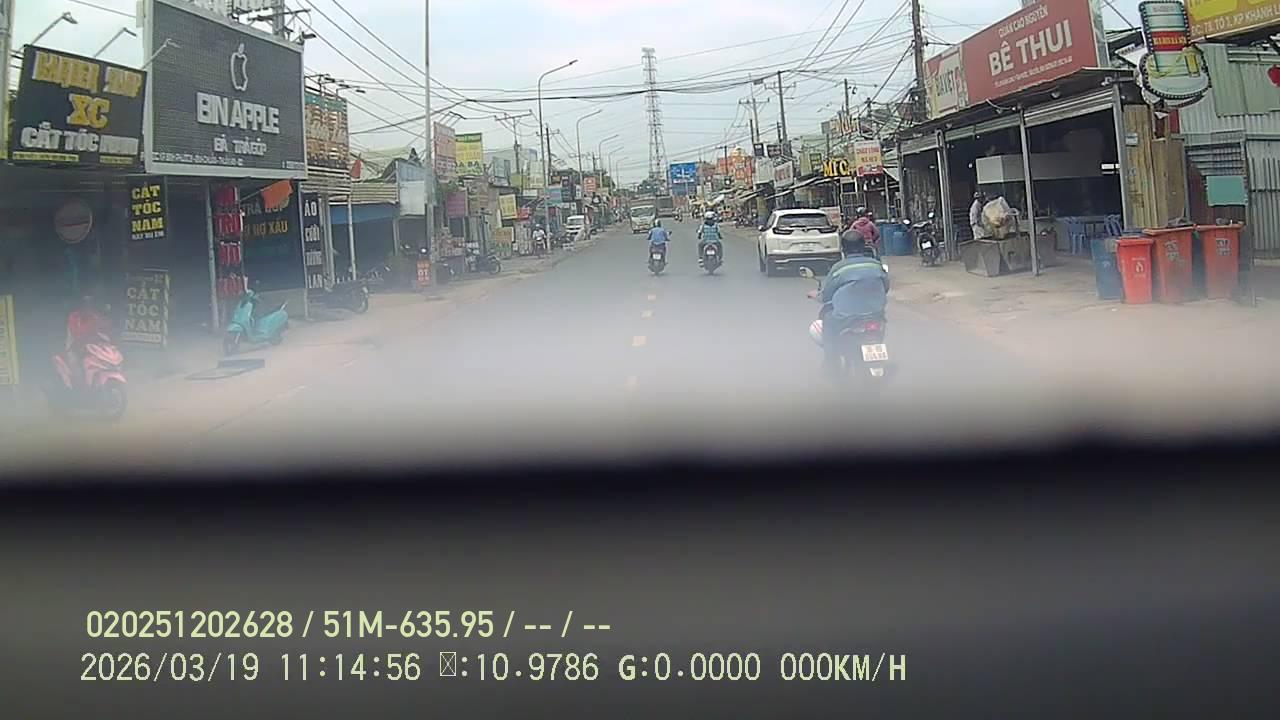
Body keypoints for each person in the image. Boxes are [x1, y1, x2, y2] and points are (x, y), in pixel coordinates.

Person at [813, 236, 890, 379]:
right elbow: (886, 287)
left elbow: (827, 294)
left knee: (827, 321)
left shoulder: (840, 268)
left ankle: (831, 362)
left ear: (843, 249)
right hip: (876, 315)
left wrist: (817, 295)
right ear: (864, 246)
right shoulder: (876, 265)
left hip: (846, 318)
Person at [64, 294, 112, 387]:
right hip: (74, 347)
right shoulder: (74, 317)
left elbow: (102, 332)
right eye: (85, 304)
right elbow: (75, 333)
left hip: (91, 349)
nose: (87, 307)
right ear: (81, 306)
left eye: (89, 304)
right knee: (76, 367)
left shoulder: (95, 317)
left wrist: (105, 342)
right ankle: (80, 388)